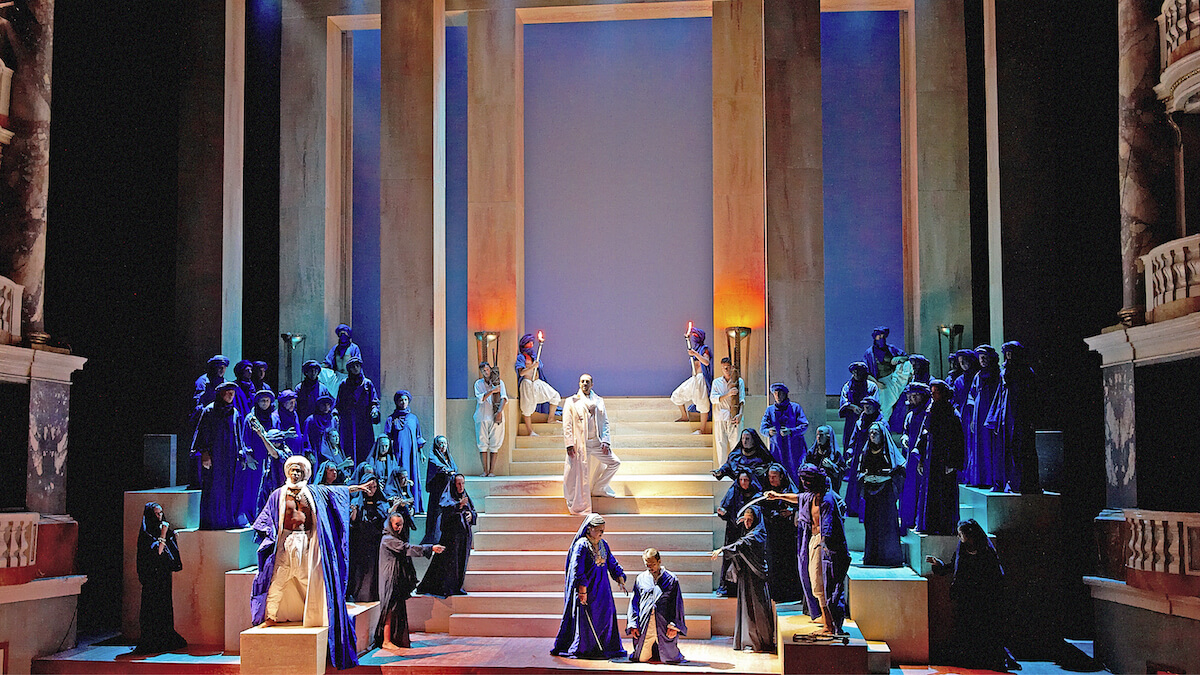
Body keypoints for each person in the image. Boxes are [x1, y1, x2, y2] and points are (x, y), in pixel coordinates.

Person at [250, 456, 376, 670]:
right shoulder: (278, 495)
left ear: (305, 473)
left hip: (307, 542)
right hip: (286, 542)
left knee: (309, 581)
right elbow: (265, 519)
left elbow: (340, 491)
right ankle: (271, 616)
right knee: (278, 581)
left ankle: (318, 615)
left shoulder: (315, 492)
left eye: (299, 471)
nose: (295, 474)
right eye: (292, 470)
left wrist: (360, 488)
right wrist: (267, 533)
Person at [767, 464, 851, 635]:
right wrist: (778, 496)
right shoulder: (811, 496)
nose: (804, 483)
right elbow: (797, 498)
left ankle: (830, 625)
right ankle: (826, 619)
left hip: (826, 545)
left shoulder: (826, 500)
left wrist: (824, 545)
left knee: (824, 584)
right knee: (815, 582)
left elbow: (828, 526)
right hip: (814, 541)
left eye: (806, 480)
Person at [926, 519, 1016, 671]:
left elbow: (995, 576)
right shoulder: (962, 549)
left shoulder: (986, 551)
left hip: (983, 597)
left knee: (983, 628)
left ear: (970, 535)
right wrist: (938, 564)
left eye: (961, 534)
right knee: (966, 627)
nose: (959, 537)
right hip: (966, 596)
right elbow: (953, 566)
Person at [551, 514, 629, 659]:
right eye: (599, 530)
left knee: (606, 615)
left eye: (603, 530)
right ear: (589, 529)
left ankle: (605, 646)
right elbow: (577, 570)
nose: (601, 533)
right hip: (588, 589)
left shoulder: (603, 544)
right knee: (588, 619)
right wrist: (582, 591)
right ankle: (586, 648)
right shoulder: (581, 545)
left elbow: (611, 562)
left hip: (603, 589)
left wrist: (619, 576)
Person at [374, 505, 444, 650]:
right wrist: (430, 548)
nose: (399, 527)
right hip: (389, 578)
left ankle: (395, 639)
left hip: (396, 577)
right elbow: (406, 548)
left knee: (396, 608)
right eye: (396, 525)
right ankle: (386, 640)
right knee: (389, 608)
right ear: (390, 524)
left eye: (401, 525)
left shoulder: (394, 538)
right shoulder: (388, 539)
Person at [712, 506, 775, 653]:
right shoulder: (751, 531)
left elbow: (743, 544)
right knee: (747, 607)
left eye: (750, 520)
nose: (747, 523)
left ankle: (760, 641)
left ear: (756, 520)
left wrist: (722, 549)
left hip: (755, 577)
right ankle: (749, 641)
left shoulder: (757, 533)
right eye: (745, 520)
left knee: (757, 608)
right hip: (746, 575)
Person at [191, 381, 251, 529]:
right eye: (228, 393)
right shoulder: (210, 411)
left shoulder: (234, 412)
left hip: (230, 458)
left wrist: (241, 453)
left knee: (230, 489)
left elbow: (238, 435)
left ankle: (228, 521)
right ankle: (211, 522)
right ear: (221, 394)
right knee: (213, 489)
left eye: (233, 393)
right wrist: (204, 453)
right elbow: (202, 433)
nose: (231, 396)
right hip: (215, 457)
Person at [132, 502, 188, 655]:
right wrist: (163, 534)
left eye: (161, 513)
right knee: (152, 609)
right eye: (156, 514)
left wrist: (169, 535)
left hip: (163, 577)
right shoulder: (146, 535)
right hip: (152, 580)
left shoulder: (161, 529)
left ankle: (166, 638)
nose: (160, 516)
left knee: (164, 608)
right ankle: (151, 641)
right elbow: (157, 552)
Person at [562, 374, 621, 516]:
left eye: (587, 382)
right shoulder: (571, 401)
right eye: (582, 381)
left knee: (615, 462)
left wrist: (606, 440)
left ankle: (600, 487)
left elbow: (605, 422)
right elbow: (567, 424)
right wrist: (569, 443)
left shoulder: (599, 401)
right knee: (576, 472)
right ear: (579, 384)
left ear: (592, 384)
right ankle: (577, 503)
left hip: (597, 442)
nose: (585, 384)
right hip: (581, 444)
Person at [987, 341, 1040, 494]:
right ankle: (1008, 481)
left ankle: (1024, 483)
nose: (1009, 356)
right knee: (1007, 449)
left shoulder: (1026, 372)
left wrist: (1032, 418)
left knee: (1022, 449)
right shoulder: (1004, 373)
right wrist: (995, 419)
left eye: (1011, 353)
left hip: (1021, 417)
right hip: (1007, 418)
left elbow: (1032, 397)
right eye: (1007, 353)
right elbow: (999, 396)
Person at [915, 380, 965, 535]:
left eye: (936, 391)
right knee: (930, 492)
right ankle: (930, 524)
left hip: (945, 461)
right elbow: (924, 434)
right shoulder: (930, 411)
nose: (933, 394)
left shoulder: (952, 414)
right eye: (932, 391)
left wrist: (953, 463)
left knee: (946, 493)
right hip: (931, 460)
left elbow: (958, 441)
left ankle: (945, 526)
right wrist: (920, 458)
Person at [417, 473, 477, 598]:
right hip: (451, 537)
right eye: (458, 484)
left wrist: (471, 515)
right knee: (449, 563)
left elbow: (472, 510)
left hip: (464, 537)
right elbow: (446, 511)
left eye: (463, 483)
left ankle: (457, 587)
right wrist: (458, 506)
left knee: (461, 562)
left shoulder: (464, 495)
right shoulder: (449, 497)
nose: (461, 486)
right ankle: (447, 588)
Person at [627, 548, 687, 664]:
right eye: (647, 565)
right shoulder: (641, 578)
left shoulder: (671, 579)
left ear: (659, 561)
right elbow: (634, 603)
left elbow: (677, 604)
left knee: (669, 658)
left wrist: (674, 626)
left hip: (663, 623)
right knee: (641, 658)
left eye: (653, 564)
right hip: (646, 623)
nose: (650, 567)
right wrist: (633, 624)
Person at [858, 422, 906, 567]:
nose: (872, 435)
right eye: (871, 433)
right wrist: (866, 478)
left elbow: (900, 471)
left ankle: (889, 558)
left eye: (876, 433)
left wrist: (885, 478)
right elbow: (860, 472)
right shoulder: (866, 452)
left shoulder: (889, 452)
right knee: (871, 525)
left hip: (886, 495)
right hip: (871, 496)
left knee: (887, 525)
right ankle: (872, 556)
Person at [244, 389, 297, 517]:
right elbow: (245, 438)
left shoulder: (273, 417)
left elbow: (277, 436)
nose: (265, 403)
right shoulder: (251, 418)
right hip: (256, 457)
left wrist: (284, 435)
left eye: (267, 401)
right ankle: (252, 514)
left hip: (272, 459)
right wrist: (248, 455)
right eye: (262, 401)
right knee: (254, 487)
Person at [762, 463, 804, 604]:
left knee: (790, 564)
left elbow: (800, 505)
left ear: (781, 476)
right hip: (774, 534)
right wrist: (774, 514)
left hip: (789, 535)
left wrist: (791, 512)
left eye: (774, 477)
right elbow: (763, 510)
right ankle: (777, 594)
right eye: (770, 477)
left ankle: (793, 594)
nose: (772, 480)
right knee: (775, 564)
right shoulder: (767, 492)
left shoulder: (790, 490)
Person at [716, 470, 759, 598]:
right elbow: (726, 509)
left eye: (746, 480)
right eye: (741, 480)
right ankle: (728, 588)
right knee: (730, 557)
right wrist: (723, 513)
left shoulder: (756, 493)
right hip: (734, 531)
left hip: (749, 532)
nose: (743, 483)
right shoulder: (734, 491)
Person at [348, 465, 387, 602]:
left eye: (375, 487)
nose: (372, 490)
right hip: (361, 542)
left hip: (376, 542)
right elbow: (353, 523)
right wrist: (354, 512)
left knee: (375, 569)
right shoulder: (356, 502)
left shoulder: (381, 503)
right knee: (360, 570)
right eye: (369, 487)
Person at [965, 344, 1002, 489]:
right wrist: (972, 418)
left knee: (991, 446)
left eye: (985, 357)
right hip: (979, 416)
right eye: (980, 358)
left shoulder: (997, 375)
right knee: (979, 446)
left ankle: (992, 478)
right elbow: (972, 395)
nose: (983, 360)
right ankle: (980, 478)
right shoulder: (978, 376)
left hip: (991, 414)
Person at [385, 390, 427, 513]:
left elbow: (418, 436)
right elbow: (387, 437)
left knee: (412, 475)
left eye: (405, 400)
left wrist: (421, 453)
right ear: (396, 402)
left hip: (411, 455)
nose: (403, 402)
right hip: (397, 454)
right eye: (400, 400)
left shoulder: (413, 418)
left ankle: (415, 506)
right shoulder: (391, 419)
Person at [335, 355, 380, 465]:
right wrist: (335, 414)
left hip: (364, 421)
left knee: (365, 448)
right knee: (348, 447)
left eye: (357, 366)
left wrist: (374, 410)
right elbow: (338, 403)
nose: (355, 368)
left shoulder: (367, 384)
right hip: (348, 422)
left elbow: (374, 401)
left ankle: (364, 471)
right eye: (353, 366)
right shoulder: (344, 384)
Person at [898, 382, 932, 531]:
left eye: (915, 396)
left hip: (924, 457)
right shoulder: (910, 415)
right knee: (909, 489)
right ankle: (907, 521)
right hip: (910, 458)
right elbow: (906, 431)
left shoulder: (928, 413)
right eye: (910, 396)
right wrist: (904, 438)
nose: (912, 399)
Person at [516, 333, 562, 436]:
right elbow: (521, 373)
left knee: (555, 396)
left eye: (532, 342)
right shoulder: (521, 357)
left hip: (537, 383)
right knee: (527, 408)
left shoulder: (534, 356)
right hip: (527, 383)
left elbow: (540, 366)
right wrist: (532, 366)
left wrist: (537, 363)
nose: (531, 344)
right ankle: (530, 431)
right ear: (524, 344)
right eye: (529, 342)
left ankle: (551, 418)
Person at [760, 382, 809, 479]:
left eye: (780, 393)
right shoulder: (770, 410)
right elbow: (762, 428)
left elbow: (804, 425)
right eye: (775, 393)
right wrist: (769, 432)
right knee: (778, 474)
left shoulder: (795, 408)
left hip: (794, 448)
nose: (777, 396)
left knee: (795, 472)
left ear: (785, 394)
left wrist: (791, 431)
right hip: (777, 448)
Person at [844, 396, 882, 519]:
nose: (867, 409)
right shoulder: (859, 422)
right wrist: (850, 452)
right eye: (865, 406)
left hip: (874, 457)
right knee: (856, 483)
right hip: (859, 456)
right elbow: (853, 439)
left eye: (869, 406)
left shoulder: (881, 423)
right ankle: (854, 508)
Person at [863, 327, 912, 423]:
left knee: (893, 402)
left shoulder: (891, 349)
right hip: (880, 382)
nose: (881, 338)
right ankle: (882, 425)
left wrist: (899, 358)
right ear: (875, 337)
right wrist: (877, 383)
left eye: (883, 336)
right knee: (885, 407)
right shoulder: (869, 353)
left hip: (893, 379)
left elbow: (907, 357)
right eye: (879, 336)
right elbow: (866, 372)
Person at [671, 326, 712, 434]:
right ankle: (684, 416)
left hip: (701, 379)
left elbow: (706, 362)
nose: (694, 337)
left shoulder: (704, 349)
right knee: (677, 395)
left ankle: (702, 429)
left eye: (695, 335)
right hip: (694, 378)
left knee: (703, 403)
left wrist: (695, 354)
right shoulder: (695, 350)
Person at [421, 435, 458, 544]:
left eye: (444, 443)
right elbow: (438, 467)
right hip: (438, 492)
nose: (442, 446)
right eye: (440, 443)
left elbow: (454, 469)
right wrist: (447, 471)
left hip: (449, 492)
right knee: (436, 516)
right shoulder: (433, 457)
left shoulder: (449, 458)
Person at [473, 361, 508, 477]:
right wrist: (492, 390)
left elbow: (504, 398)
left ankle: (492, 471)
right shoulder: (478, 384)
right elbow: (481, 398)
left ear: (491, 370)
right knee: (482, 443)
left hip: (495, 417)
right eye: (483, 371)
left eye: (487, 370)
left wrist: (499, 413)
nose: (486, 372)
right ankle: (485, 471)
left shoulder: (499, 382)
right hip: (482, 416)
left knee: (495, 443)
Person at [952, 350, 980, 484]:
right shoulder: (959, 381)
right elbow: (954, 399)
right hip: (963, 418)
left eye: (965, 361)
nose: (963, 364)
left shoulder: (978, 377)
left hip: (977, 417)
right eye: (960, 362)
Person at [709, 357, 745, 463]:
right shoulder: (716, 382)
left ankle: (736, 469)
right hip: (720, 417)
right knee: (721, 445)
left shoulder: (739, 381)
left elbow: (742, 399)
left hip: (734, 418)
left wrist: (740, 414)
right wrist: (728, 394)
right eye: (724, 368)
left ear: (732, 367)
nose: (726, 370)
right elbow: (713, 399)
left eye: (728, 367)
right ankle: (722, 469)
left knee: (736, 445)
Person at [838, 362, 877, 455]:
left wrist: (866, 409)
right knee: (849, 441)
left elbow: (875, 402)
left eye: (859, 372)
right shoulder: (847, 386)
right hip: (852, 418)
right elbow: (844, 401)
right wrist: (852, 407)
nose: (857, 375)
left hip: (867, 419)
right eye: (855, 372)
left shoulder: (871, 386)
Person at [305, 393, 348, 468]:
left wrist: (336, 450)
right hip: (316, 452)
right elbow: (306, 437)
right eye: (323, 404)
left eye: (328, 404)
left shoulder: (332, 420)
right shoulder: (311, 420)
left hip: (330, 453)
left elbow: (336, 437)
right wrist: (309, 453)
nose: (326, 407)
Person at [889, 354, 930, 433]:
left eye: (916, 365)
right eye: (913, 365)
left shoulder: (929, 380)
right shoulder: (912, 380)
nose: (914, 367)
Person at [191, 354, 229, 431]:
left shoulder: (225, 383)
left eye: (224, 367)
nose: (222, 370)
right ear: (214, 367)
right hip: (206, 420)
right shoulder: (203, 381)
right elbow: (199, 402)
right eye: (219, 367)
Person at [295, 360, 334, 434]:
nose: (313, 373)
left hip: (319, 424)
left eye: (315, 371)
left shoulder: (323, 388)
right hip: (303, 422)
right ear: (306, 372)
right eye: (311, 371)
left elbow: (329, 405)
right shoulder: (299, 388)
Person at [807, 425, 845, 494]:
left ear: (828, 436)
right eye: (817, 435)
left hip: (830, 488)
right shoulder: (812, 452)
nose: (818, 437)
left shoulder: (835, 454)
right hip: (814, 488)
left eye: (821, 435)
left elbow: (841, 472)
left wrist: (832, 466)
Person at [323, 323, 363, 388]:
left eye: (344, 334)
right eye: (341, 334)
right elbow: (328, 361)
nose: (342, 336)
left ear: (348, 335)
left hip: (349, 378)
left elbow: (358, 363)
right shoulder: (335, 348)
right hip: (337, 377)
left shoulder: (354, 348)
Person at [275, 390, 306, 459]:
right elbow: (273, 437)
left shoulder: (294, 414)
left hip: (297, 453)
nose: (293, 404)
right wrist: (284, 435)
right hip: (284, 455)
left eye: (294, 402)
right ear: (283, 403)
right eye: (290, 402)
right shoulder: (275, 416)